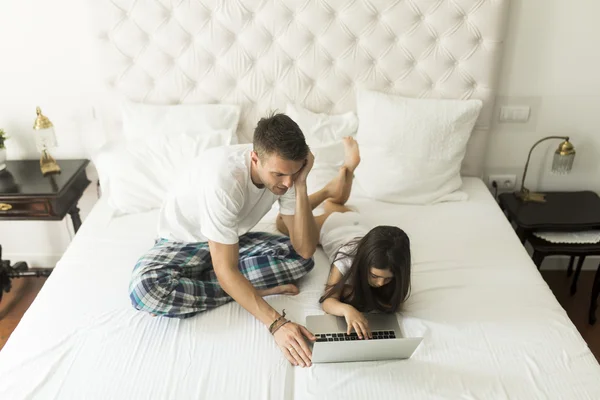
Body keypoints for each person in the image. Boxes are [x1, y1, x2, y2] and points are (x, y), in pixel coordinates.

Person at [129, 113, 333, 368]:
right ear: (255, 158)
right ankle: (243, 289)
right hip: (184, 241)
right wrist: (276, 323)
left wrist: (302, 185)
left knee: (300, 261)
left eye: (294, 173)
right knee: (145, 290)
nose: (287, 182)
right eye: (279, 174)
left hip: (230, 240)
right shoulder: (224, 180)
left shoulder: (290, 176)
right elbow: (225, 269)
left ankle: (236, 287)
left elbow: (304, 248)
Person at [276, 137, 412, 340]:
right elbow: (327, 301)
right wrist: (348, 310)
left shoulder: (392, 262)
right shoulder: (346, 258)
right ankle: (327, 189)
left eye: (387, 279)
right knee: (282, 222)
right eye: (375, 276)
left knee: (335, 203)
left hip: (357, 223)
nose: (381, 283)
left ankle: (346, 170)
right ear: (364, 262)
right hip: (335, 226)